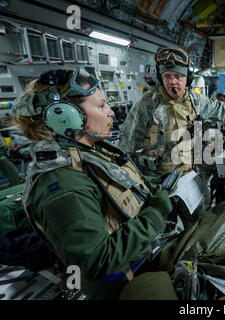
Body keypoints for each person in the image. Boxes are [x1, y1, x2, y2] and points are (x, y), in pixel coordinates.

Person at [12, 67, 178, 300]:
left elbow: (114, 184)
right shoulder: (62, 185)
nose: (111, 113)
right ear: (66, 116)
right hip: (121, 287)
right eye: (101, 106)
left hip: (143, 260)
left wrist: (153, 184)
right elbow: (97, 261)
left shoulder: (90, 152)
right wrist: (154, 216)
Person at [119, 48, 225, 176]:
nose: (172, 81)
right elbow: (126, 145)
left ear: (188, 79)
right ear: (160, 77)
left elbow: (223, 108)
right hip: (156, 179)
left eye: (178, 76)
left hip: (187, 173)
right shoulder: (148, 103)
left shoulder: (196, 101)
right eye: (167, 76)